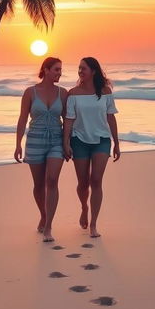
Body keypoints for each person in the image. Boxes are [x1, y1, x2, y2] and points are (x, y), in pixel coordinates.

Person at [63, 57, 120, 238]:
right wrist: (66, 143)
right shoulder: (73, 94)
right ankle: (84, 207)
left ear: (93, 71)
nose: (80, 71)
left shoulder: (105, 91)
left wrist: (117, 143)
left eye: (84, 68)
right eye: (79, 68)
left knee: (96, 181)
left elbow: (111, 117)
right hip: (79, 140)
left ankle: (94, 224)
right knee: (83, 183)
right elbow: (69, 120)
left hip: (102, 140)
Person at [15, 57, 68, 242]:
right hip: (35, 140)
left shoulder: (63, 93)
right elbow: (22, 119)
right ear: (45, 70)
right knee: (39, 185)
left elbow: (68, 121)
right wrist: (17, 144)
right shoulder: (30, 92)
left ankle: (48, 227)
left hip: (56, 140)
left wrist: (67, 143)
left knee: (52, 180)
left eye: (60, 70)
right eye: (56, 69)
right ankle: (44, 215)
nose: (59, 73)